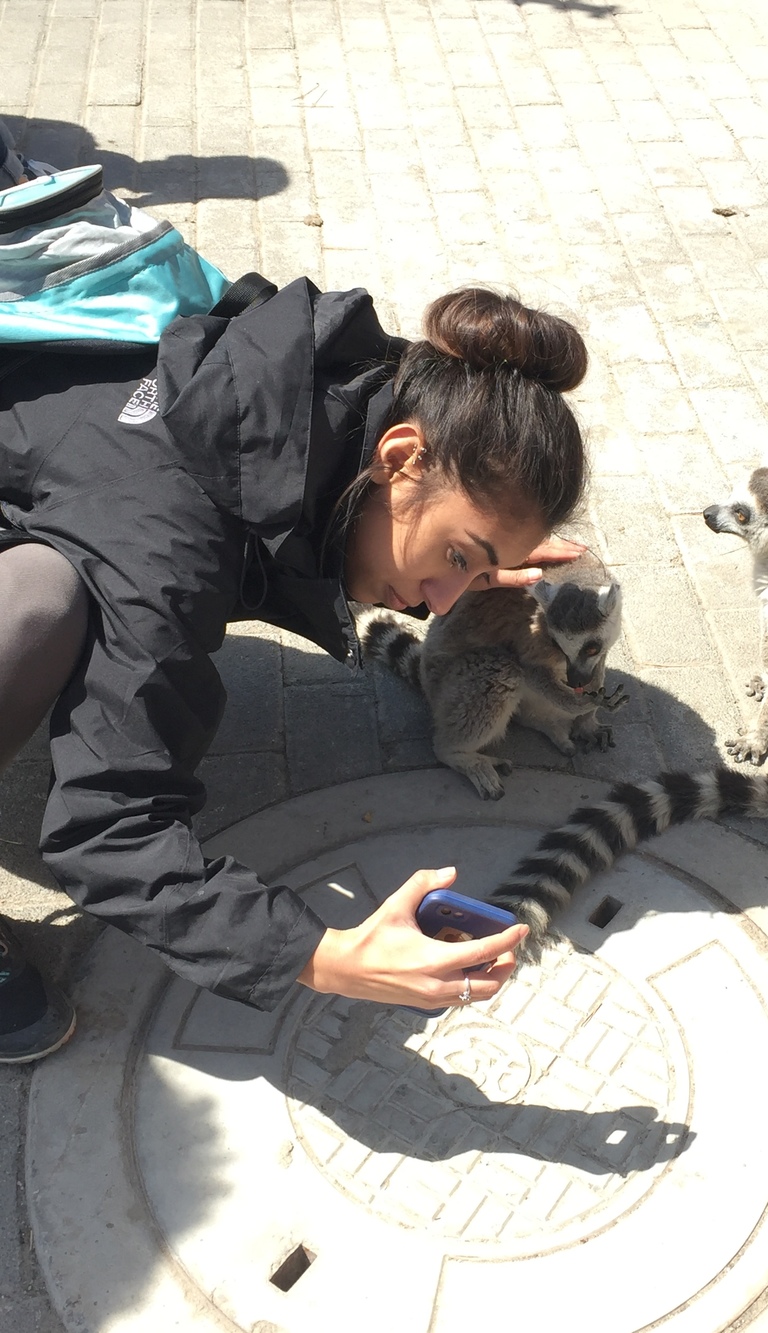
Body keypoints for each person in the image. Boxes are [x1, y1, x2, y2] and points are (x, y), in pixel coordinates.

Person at [0, 277, 590, 1062]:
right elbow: (105, 827)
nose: (447, 604)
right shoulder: (161, 540)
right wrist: (321, 956)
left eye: (474, 574)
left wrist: (479, 556)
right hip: (94, 523)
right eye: (456, 559)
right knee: (38, 609)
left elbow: (309, 518)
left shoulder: (340, 389)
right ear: (401, 458)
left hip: (71, 467)